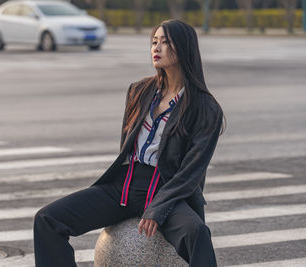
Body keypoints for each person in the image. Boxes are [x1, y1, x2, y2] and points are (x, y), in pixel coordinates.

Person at [34, 19, 226, 267]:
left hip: (165, 188)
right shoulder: (139, 91)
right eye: (154, 42)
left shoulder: (205, 108)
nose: (156, 48)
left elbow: (191, 173)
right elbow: (127, 145)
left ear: (184, 48)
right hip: (123, 186)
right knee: (48, 220)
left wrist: (158, 208)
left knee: (197, 233)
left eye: (165, 42)